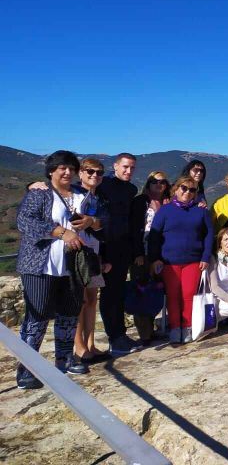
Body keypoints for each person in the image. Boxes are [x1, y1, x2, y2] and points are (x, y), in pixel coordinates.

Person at [15, 151, 94, 388]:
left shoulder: (83, 195)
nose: (67, 172)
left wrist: (91, 222)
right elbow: (25, 221)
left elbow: (102, 221)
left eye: (71, 168)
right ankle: (27, 369)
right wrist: (61, 232)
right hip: (40, 266)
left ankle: (65, 359)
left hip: (71, 267)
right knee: (36, 316)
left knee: (69, 314)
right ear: (51, 171)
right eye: (62, 168)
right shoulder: (40, 194)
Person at [148, 175, 214, 345]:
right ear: (175, 189)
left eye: (192, 190)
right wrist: (154, 259)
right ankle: (175, 327)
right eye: (183, 188)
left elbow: (209, 236)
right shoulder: (165, 211)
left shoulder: (201, 211)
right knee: (172, 295)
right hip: (169, 261)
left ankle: (188, 326)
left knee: (188, 295)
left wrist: (206, 256)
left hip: (193, 261)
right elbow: (154, 237)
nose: (187, 192)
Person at [97, 152, 139, 356]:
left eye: (132, 168)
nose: (128, 171)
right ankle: (113, 337)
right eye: (125, 167)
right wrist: (35, 184)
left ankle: (120, 334)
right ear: (115, 166)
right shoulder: (102, 184)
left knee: (119, 293)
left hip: (123, 247)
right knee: (109, 294)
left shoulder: (131, 189)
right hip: (105, 247)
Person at [71, 158, 112, 361]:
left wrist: (93, 222)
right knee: (79, 300)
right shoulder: (73, 193)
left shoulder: (101, 198)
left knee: (91, 300)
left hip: (94, 252)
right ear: (80, 173)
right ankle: (78, 347)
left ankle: (90, 344)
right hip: (77, 252)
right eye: (90, 171)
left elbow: (103, 225)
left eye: (99, 172)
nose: (94, 175)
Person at [129, 170, 171, 346]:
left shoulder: (168, 203)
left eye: (162, 182)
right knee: (142, 290)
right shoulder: (140, 202)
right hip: (143, 253)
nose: (158, 185)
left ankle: (154, 327)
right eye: (154, 181)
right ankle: (145, 334)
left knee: (157, 290)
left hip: (162, 253)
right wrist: (137, 253)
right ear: (148, 183)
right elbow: (133, 228)